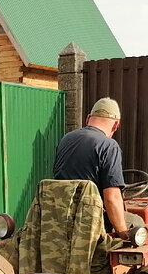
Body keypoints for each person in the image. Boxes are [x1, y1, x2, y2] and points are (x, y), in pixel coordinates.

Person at [53, 97, 134, 241]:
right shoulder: (109, 146)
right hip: (90, 225)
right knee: (137, 222)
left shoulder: (66, 139)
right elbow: (112, 198)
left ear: (88, 118)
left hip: (60, 219)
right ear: (115, 125)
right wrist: (124, 234)